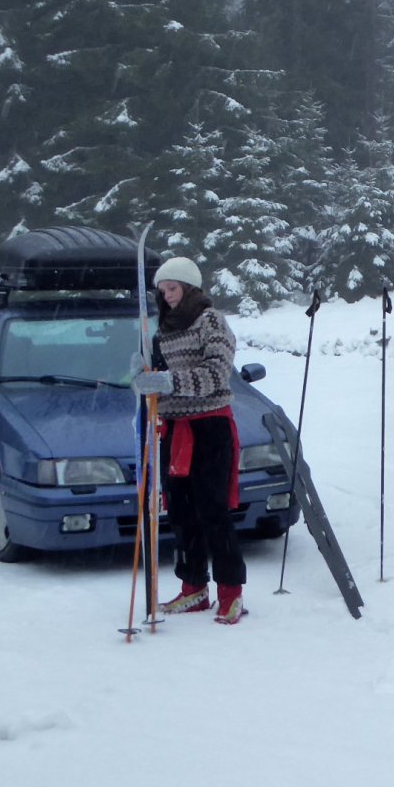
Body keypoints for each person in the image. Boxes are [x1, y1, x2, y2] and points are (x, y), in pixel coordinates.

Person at [145, 255, 247, 625]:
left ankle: (230, 591)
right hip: (175, 427)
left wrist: (170, 381)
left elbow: (217, 373)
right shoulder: (163, 329)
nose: (167, 296)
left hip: (210, 426)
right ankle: (193, 587)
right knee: (181, 511)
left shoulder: (211, 321)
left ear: (189, 287)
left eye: (172, 288)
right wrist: (144, 377)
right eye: (162, 291)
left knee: (212, 510)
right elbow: (159, 373)